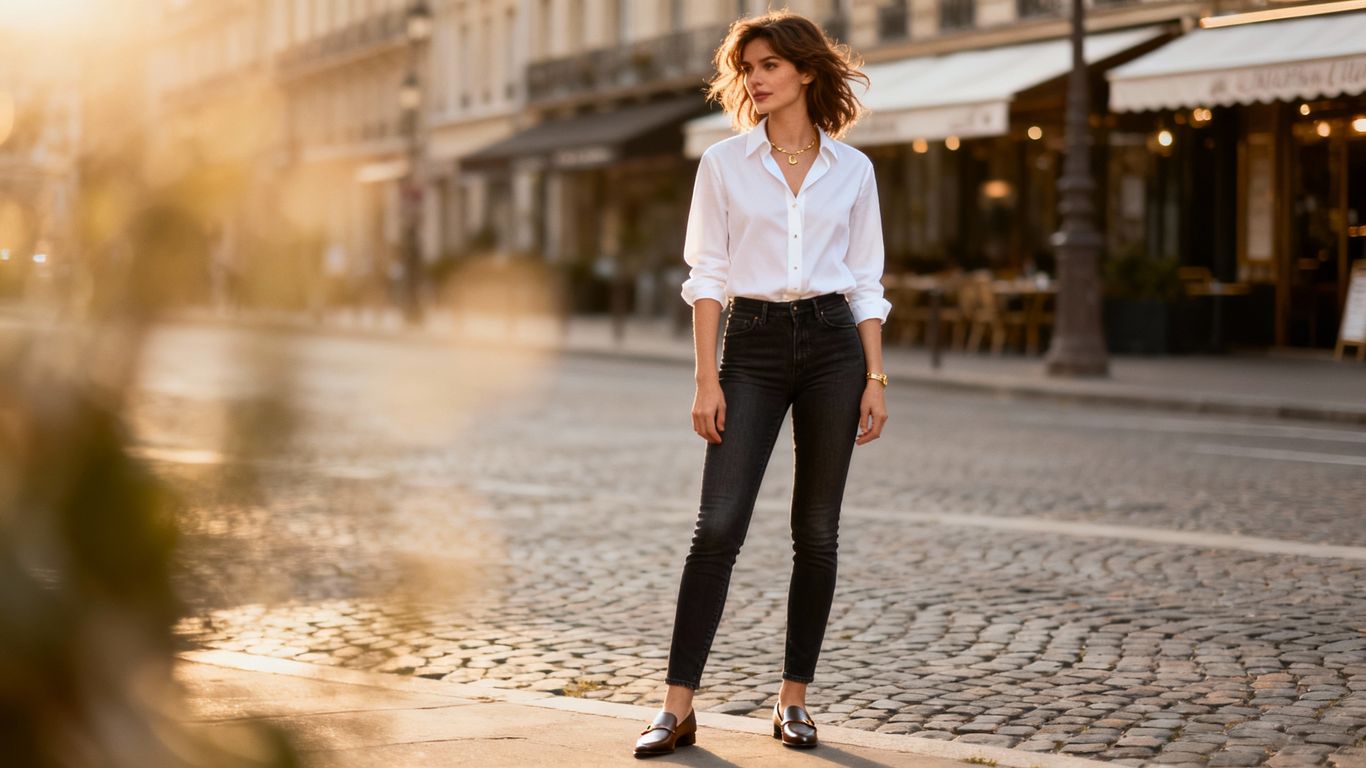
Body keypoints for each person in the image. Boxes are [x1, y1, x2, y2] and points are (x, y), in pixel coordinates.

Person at [633, 10, 891, 758]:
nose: (755, 79)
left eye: (770, 65)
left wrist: (875, 375)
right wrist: (705, 377)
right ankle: (677, 708)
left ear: (807, 71)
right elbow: (706, 275)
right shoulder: (722, 163)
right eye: (747, 67)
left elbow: (867, 282)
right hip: (749, 345)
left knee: (816, 532)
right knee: (717, 527)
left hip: (836, 349)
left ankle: (793, 701)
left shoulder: (854, 171)